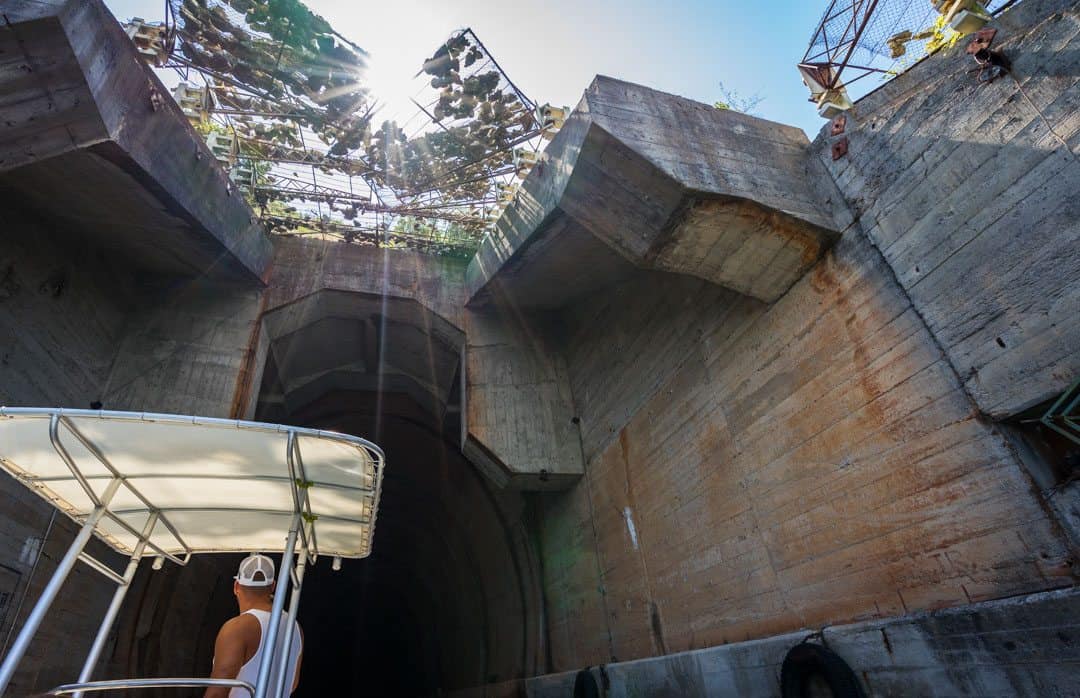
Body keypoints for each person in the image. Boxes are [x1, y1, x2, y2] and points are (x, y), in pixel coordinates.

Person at [205, 554, 303, 698]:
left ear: (236, 586)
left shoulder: (237, 628)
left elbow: (216, 693)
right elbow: (291, 684)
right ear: (273, 586)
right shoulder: (295, 627)